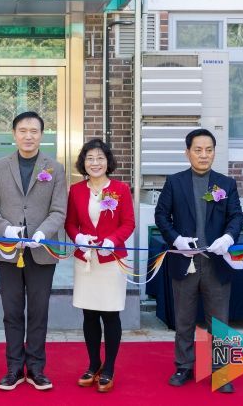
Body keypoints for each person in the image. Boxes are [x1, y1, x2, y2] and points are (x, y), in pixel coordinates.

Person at [0, 111, 67, 391]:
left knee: (39, 312)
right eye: (23, 130)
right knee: (12, 311)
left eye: (34, 131)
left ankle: (37, 369)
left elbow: (59, 210)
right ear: (14, 134)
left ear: (42, 135)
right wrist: (5, 228)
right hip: (9, 250)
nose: (28, 136)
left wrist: (43, 233)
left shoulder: (54, 168)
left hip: (43, 252)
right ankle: (14, 368)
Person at [154, 128, 243, 394]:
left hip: (216, 261)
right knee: (184, 320)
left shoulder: (226, 183)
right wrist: (176, 239)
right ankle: (183, 366)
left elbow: (236, 216)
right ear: (187, 153)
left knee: (219, 321)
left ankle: (220, 370)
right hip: (185, 261)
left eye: (209, 150)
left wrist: (228, 237)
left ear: (214, 152)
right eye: (198, 150)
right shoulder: (175, 182)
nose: (204, 155)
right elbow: (161, 216)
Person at [64, 139, 135, 393]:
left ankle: (109, 368)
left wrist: (112, 241)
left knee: (110, 313)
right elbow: (70, 223)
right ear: (83, 162)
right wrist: (78, 238)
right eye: (90, 158)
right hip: (86, 260)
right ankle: (93, 364)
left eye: (100, 158)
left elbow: (128, 223)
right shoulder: (76, 190)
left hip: (111, 260)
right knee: (90, 314)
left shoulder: (120, 189)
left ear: (108, 161)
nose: (95, 163)